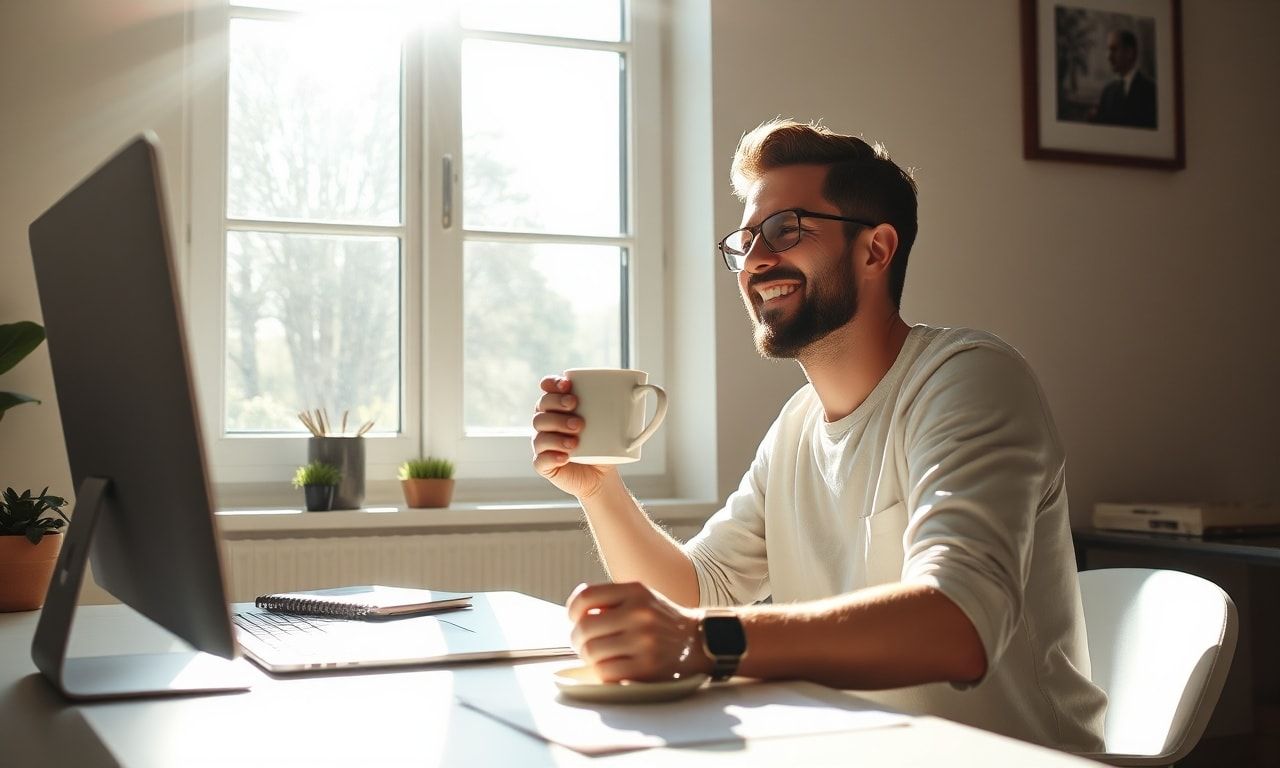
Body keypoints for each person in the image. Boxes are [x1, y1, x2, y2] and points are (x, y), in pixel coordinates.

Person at [531, 119, 1107, 752]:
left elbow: (957, 623)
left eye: (787, 230)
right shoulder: (797, 426)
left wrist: (707, 641)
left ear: (875, 251)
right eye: (746, 240)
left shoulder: (968, 380)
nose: (756, 260)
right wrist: (598, 486)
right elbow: (696, 594)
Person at [1091, 29, 1157, 128]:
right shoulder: (1107, 91)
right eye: (1108, 49)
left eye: (1114, 49)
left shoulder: (1151, 90)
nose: (1108, 56)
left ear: (1129, 53)